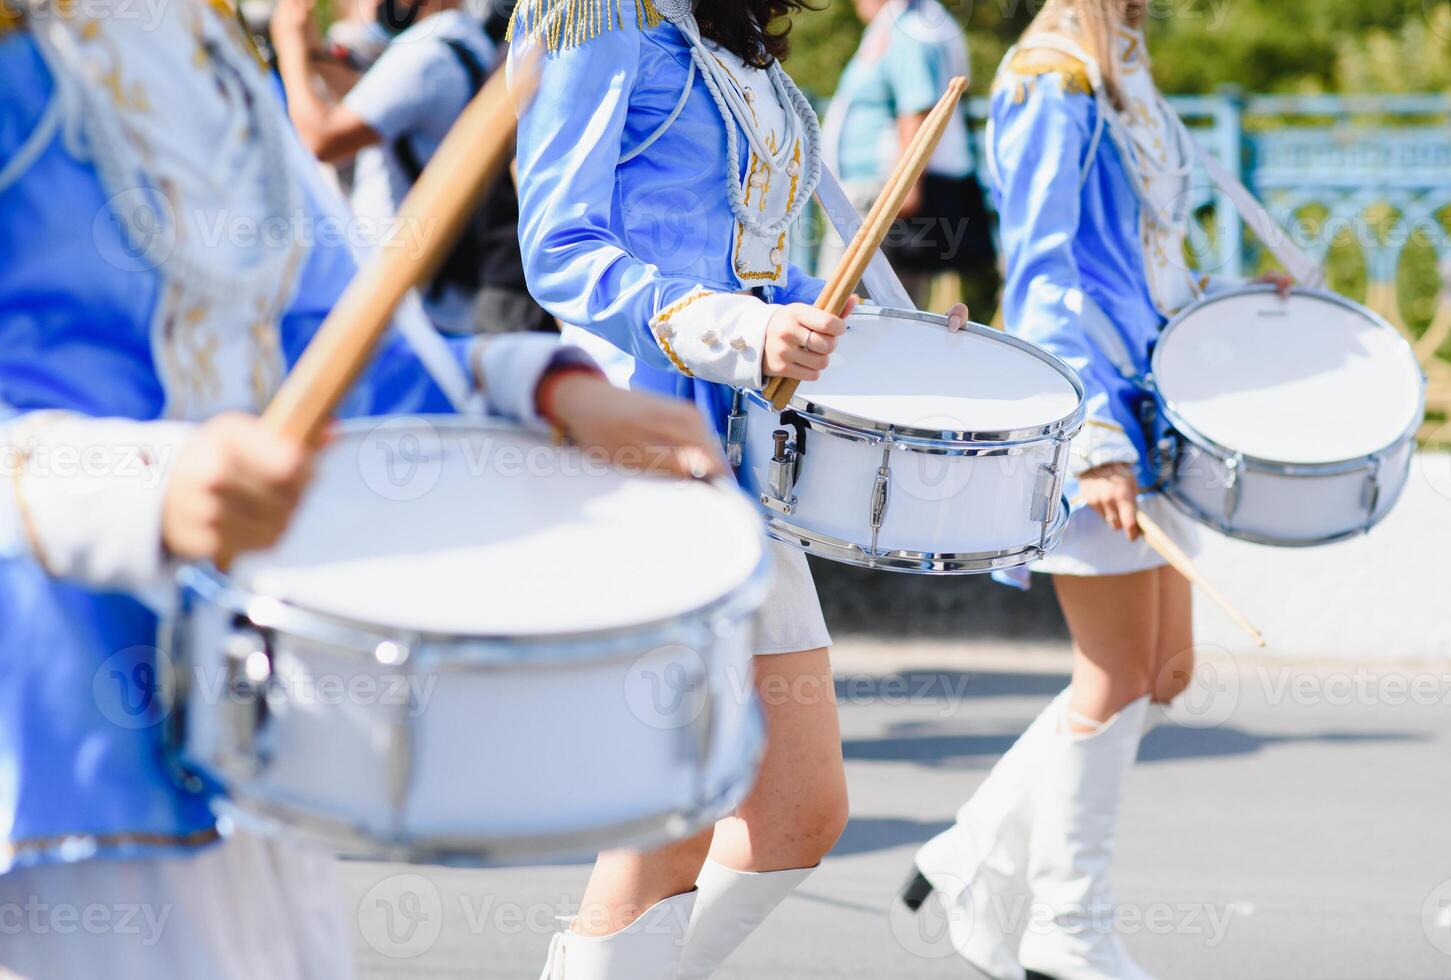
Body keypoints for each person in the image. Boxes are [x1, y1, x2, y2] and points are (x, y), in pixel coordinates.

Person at [0, 0, 718, 975]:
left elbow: (348, 342)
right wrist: (143, 488)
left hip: (248, 709)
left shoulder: (198, 39)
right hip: (43, 724)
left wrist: (534, 388)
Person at [897, 3, 1289, 979]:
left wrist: (1229, 296)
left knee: (1163, 672)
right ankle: (1066, 927)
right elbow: (1040, 274)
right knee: (1116, 672)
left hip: (1145, 402)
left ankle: (969, 848)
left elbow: (1140, 259)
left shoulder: (1118, 66)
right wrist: (1094, 441)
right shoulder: (1048, 78)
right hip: (1090, 410)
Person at [509, 0, 872, 974]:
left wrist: (850, 326)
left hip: (742, 443)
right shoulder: (584, 13)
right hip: (646, 441)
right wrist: (733, 330)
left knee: (799, 812)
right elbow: (559, 247)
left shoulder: (727, 20)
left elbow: (747, 255)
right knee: (672, 814)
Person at [272, 0, 552, 335]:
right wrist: (314, 53)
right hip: (443, 288)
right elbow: (369, 107)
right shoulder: (462, 41)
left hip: (416, 304)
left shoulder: (424, 57)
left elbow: (322, 139)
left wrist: (288, 45)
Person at [819, 0, 983, 309]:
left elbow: (917, 109)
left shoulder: (909, 31)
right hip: (869, 195)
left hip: (878, 198)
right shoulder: (899, 26)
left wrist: (903, 190)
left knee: (853, 316)